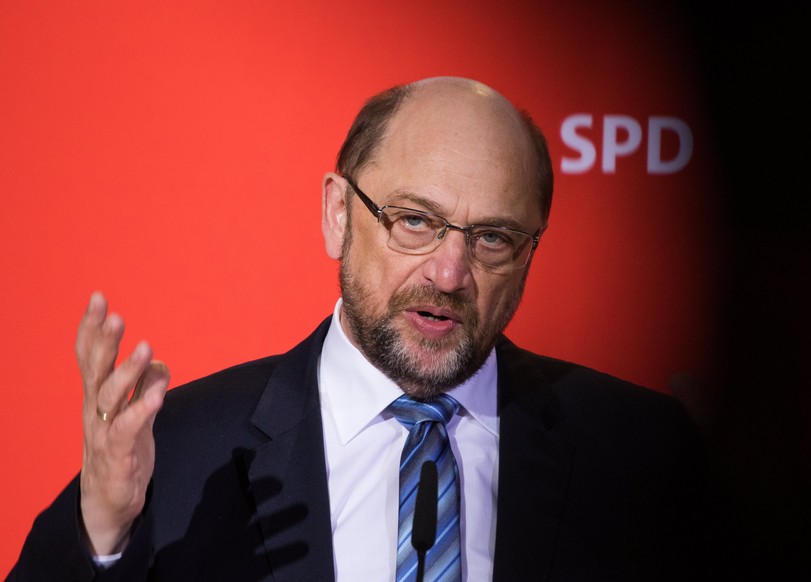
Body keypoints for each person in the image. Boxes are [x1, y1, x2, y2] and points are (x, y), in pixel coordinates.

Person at [9, 77, 717, 581]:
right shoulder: (184, 451)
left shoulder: (638, 452)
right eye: (414, 220)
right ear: (338, 215)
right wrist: (101, 532)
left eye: (492, 238)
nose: (448, 272)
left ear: (533, 250)